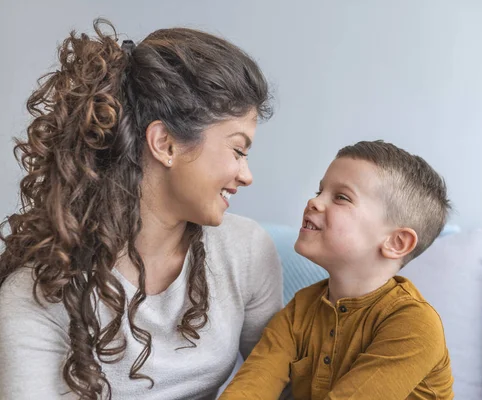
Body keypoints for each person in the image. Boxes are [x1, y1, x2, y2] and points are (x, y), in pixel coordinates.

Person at [0, 18, 283, 400]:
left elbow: (281, 380)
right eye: (237, 149)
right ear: (165, 143)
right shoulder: (39, 292)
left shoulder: (245, 251)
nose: (245, 175)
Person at [220, 140, 455, 399]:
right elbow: (249, 390)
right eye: (319, 191)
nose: (314, 202)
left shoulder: (414, 325)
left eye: (341, 197)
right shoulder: (299, 311)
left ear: (396, 242)